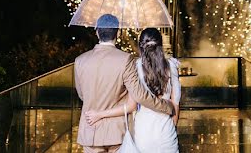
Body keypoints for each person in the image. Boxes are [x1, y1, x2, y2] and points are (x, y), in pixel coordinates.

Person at [74, 15, 177, 153]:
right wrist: (166, 106)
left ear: (97, 32)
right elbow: (140, 95)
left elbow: (82, 94)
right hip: (116, 131)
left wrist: (97, 110)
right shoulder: (125, 59)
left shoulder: (80, 60)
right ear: (118, 33)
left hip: (90, 130)